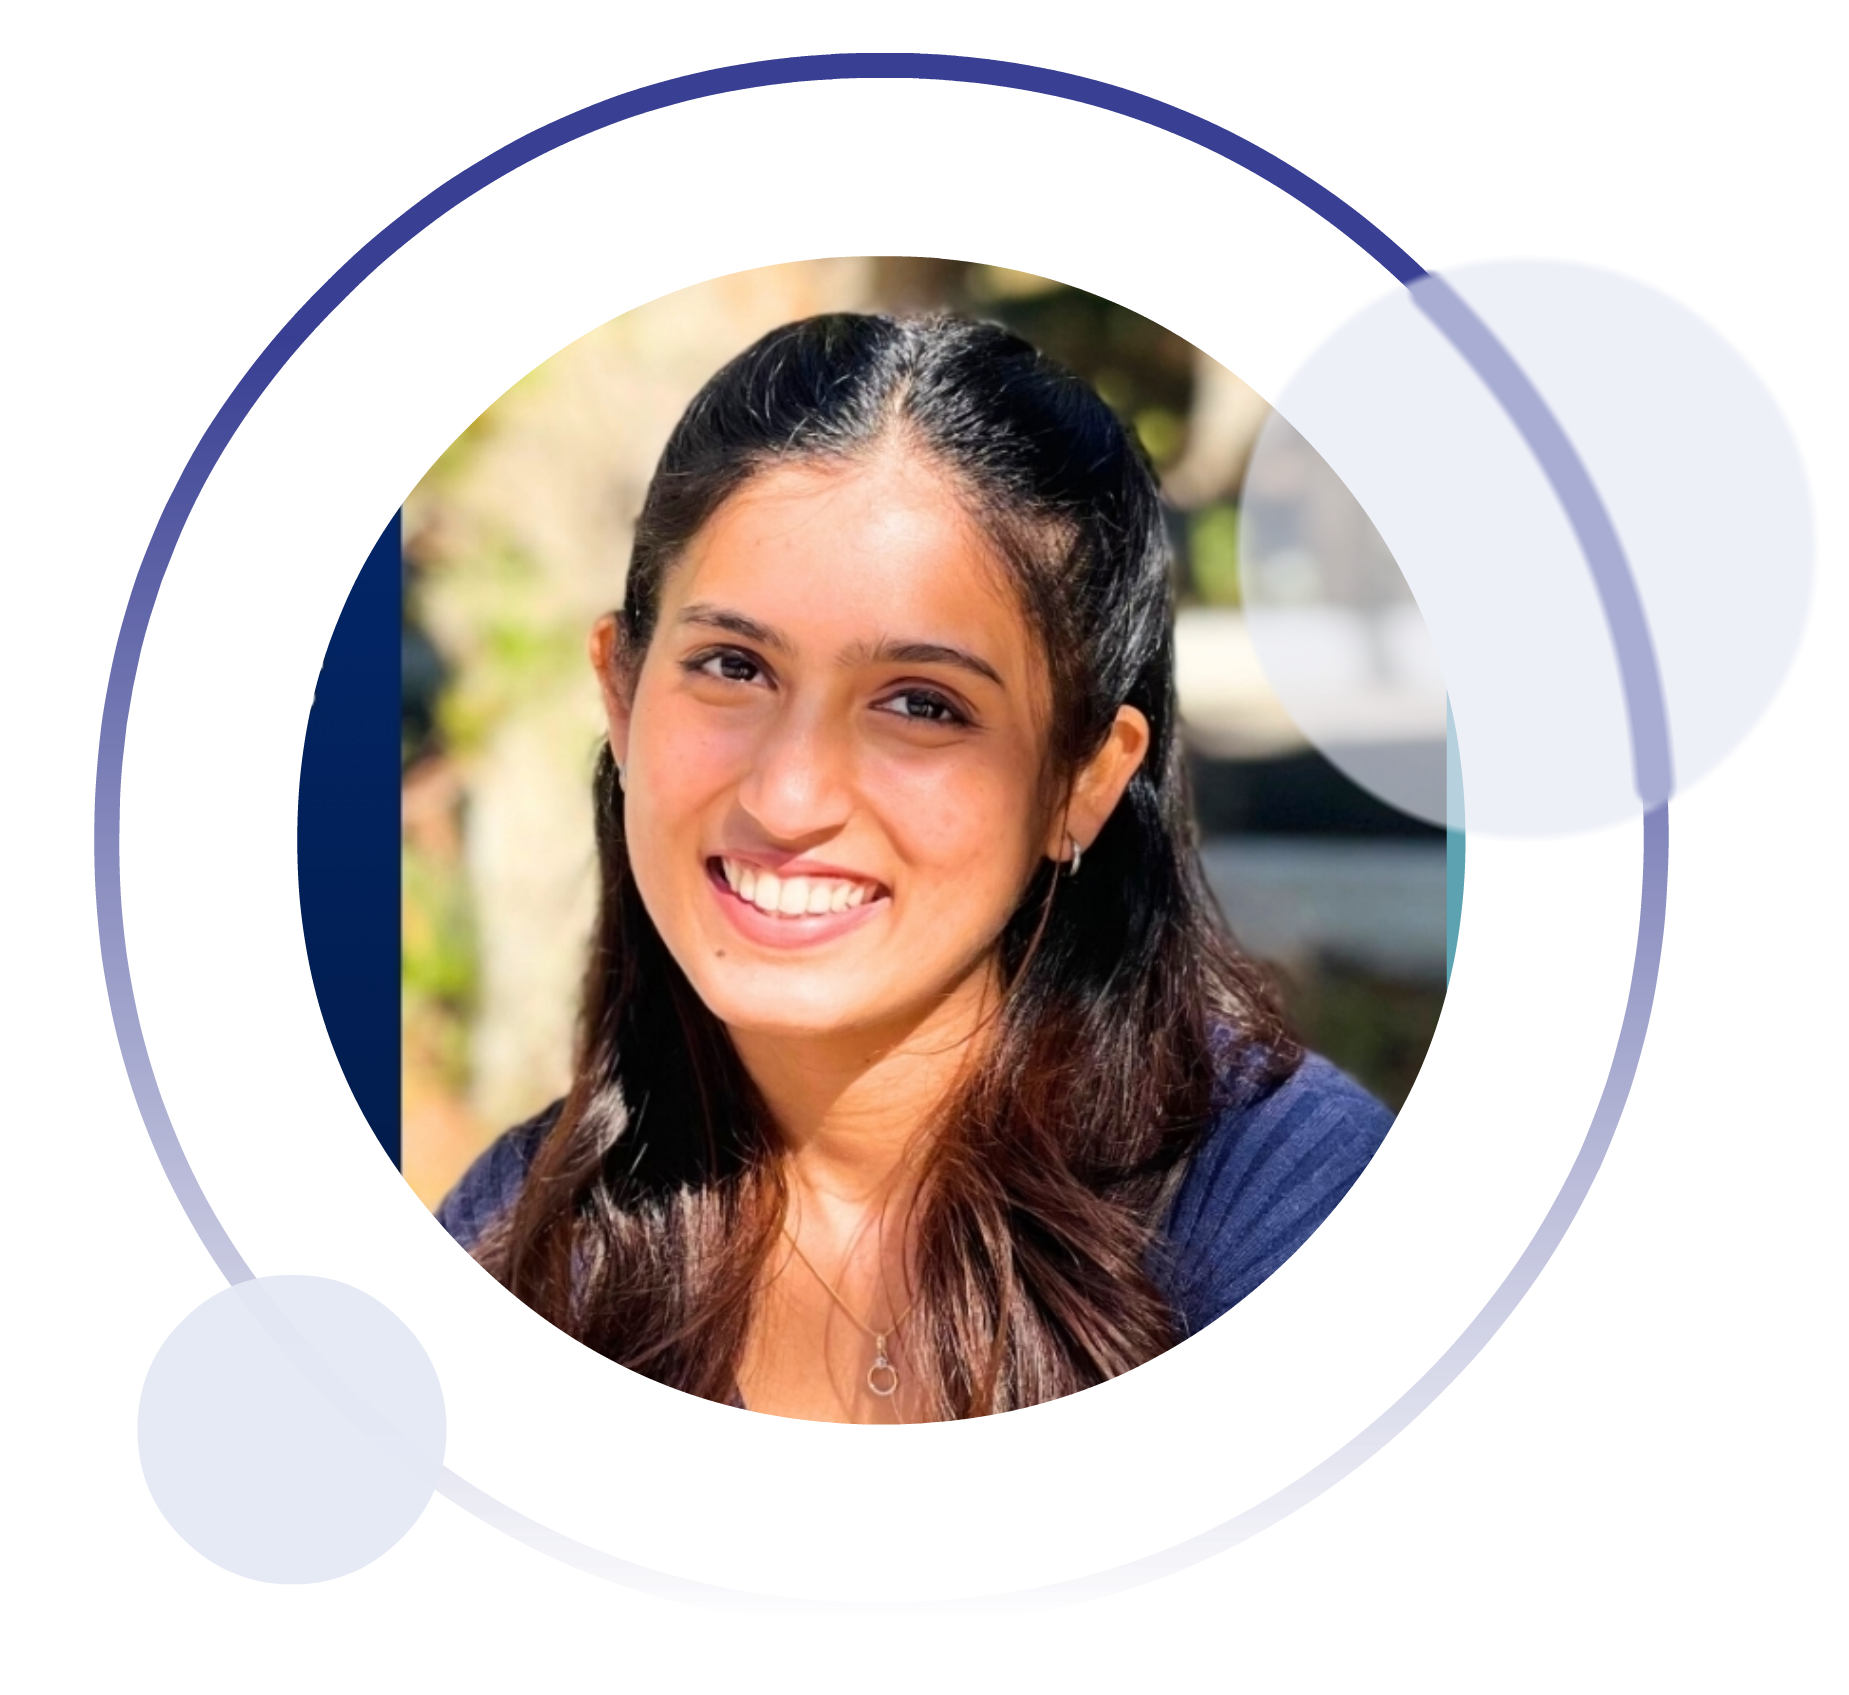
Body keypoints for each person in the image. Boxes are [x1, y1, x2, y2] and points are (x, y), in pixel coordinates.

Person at [438, 311, 1392, 1424]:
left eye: (922, 704)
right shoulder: (522, 1236)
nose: (788, 796)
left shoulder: (1277, 1207)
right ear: (621, 688)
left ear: (1085, 779)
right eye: (733, 666)